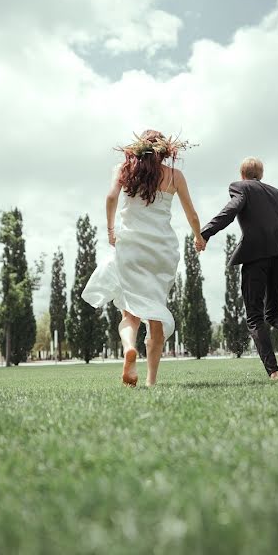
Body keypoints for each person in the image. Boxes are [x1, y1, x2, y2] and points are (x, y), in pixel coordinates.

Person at [82, 130, 203, 387]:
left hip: (131, 247)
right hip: (161, 250)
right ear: (164, 150)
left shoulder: (124, 170)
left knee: (130, 312)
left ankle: (129, 348)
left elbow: (111, 197)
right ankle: (151, 380)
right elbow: (191, 214)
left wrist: (110, 230)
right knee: (155, 313)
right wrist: (198, 237)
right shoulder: (174, 175)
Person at [199, 157, 278, 380]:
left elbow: (230, 211)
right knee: (273, 313)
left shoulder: (240, 187)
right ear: (262, 175)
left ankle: (273, 372)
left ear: (242, 175)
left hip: (255, 255)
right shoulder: (277, 194)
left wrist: (205, 233)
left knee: (255, 317)